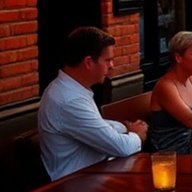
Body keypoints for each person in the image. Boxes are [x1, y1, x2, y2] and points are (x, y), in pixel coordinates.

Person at [38, 26, 148, 181]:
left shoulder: (70, 89)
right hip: (76, 185)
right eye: (108, 60)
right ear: (89, 62)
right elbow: (121, 147)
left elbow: (95, 124)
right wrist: (138, 135)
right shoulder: (70, 100)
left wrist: (124, 127)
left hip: (93, 175)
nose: (112, 66)